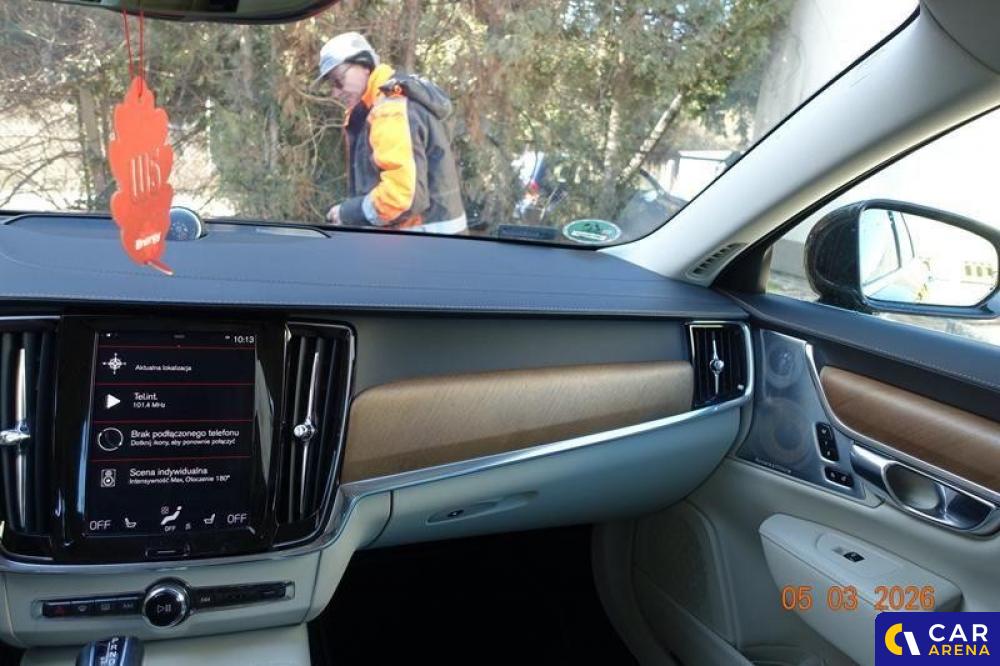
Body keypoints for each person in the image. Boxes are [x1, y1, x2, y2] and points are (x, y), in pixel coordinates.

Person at [317, 32, 467, 234]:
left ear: (364, 65)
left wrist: (348, 213)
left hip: (422, 244)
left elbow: (400, 197)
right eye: (331, 84)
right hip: (435, 242)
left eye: (338, 80)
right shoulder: (379, 107)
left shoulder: (390, 111)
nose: (335, 92)